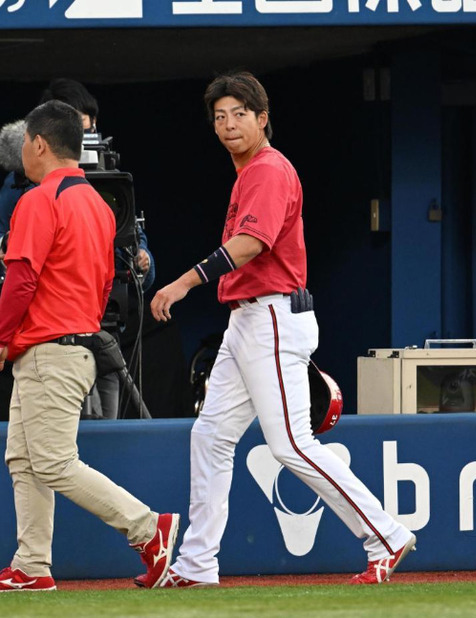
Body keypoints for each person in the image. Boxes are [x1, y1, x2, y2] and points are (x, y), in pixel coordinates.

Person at [146, 71, 416, 588]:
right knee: (210, 436)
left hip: (271, 314)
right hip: (247, 320)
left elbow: (253, 243)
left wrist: (183, 282)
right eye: (220, 117)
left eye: (239, 114)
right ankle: (198, 564)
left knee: (291, 445)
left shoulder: (268, 169)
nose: (228, 125)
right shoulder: (248, 174)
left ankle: (385, 534)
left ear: (263, 118)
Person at [0, 100, 178, 592]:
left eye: (26, 141)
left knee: (52, 461)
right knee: (23, 459)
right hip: (76, 343)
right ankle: (32, 565)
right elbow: (109, 280)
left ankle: (148, 528)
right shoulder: (97, 202)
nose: (23, 150)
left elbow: (20, 279)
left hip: (50, 347)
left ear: (39, 144)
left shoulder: (39, 200)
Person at [0, 78, 155, 419]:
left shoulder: (100, 186)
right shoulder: (31, 188)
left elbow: (129, 246)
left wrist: (142, 263)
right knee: (32, 459)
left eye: (89, 126)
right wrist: (7, 246)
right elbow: (7, 257)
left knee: (69, 454)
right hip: (69, 337)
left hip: (86, 337)